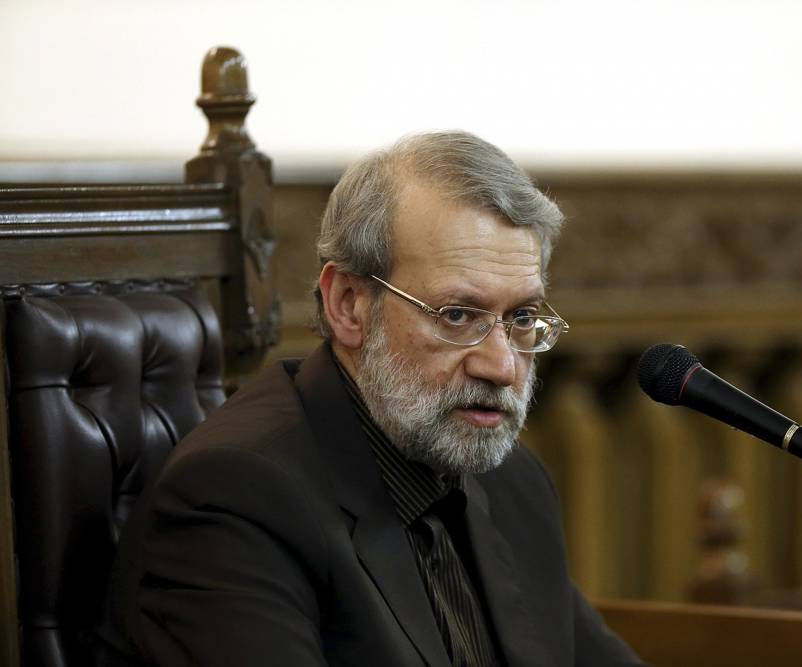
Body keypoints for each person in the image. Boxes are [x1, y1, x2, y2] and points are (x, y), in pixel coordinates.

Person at [97, 131, 645, 666]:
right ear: (349, 305)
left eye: (521, 318)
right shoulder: (235, 498)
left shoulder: (512, 482)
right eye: (456, 316)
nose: (502, 366)